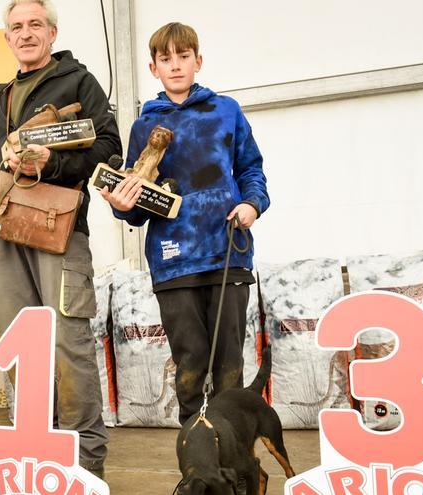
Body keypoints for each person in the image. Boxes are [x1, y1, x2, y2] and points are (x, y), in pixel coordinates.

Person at [0, 0, 121, 475]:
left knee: (68, 343)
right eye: (16, 27)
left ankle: (83, 462)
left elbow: (109, 149)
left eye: (35, 24)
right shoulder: (5, 96)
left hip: (60, 230)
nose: (26, 33)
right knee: (18, 343)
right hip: (6, 234)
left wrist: (50, 164)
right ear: (7, 39)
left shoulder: (78, 81)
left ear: (52, 32)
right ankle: (37, 449)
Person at [99, 22, 270, 425]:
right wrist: (120, 205)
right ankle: (197, 451)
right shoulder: (144, 126)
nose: (175, 65)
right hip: (172, 261)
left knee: (229, 361)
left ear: (198, 61)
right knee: (190, 362)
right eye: (165, 59)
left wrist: (252, 205)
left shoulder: (226, 111)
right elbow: (138, 202)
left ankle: (232, 451)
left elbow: (251, 169)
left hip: (227, 252)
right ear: (153, 67)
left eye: (183, 56)